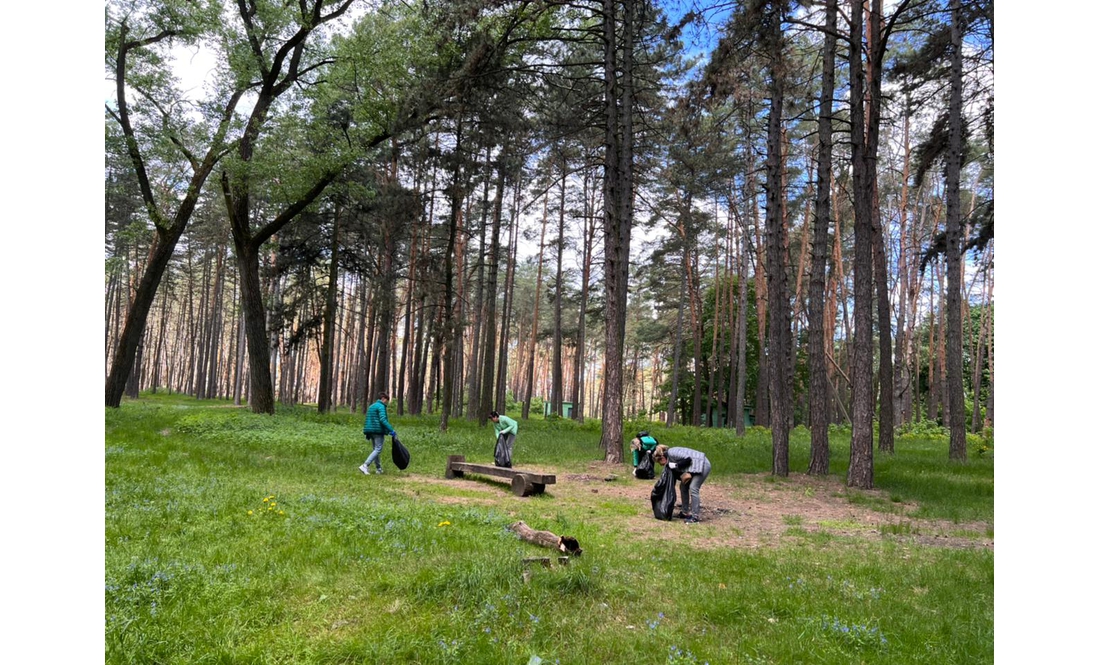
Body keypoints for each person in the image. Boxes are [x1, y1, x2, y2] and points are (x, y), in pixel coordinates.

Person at [653, 444, 711, 524]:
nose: (662, 465)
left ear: (662, 458)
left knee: (693, 488)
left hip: (703, 464)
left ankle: (695, 517)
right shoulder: (669, 459)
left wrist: (676, 465)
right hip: (694, 467)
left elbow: (688, 459)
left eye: (660, 462)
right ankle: (684, 512)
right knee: (683, 487)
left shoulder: (672, 452)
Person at [360, 392, 396, 475]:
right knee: (378, 449)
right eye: (386, 401)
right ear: (383, 398)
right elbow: (383, 420)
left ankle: (378, 469)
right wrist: (391, 430)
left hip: (370, 431)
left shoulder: (371, 406)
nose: (386, 403)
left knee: (375, 450)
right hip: (377, 431)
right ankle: (365, 465)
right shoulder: (381, 406)